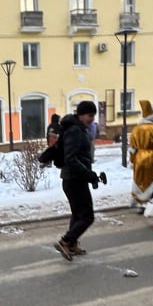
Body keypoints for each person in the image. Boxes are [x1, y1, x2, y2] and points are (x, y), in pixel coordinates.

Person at [52, 100, 104, 260]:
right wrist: (89, 175)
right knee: (87, 216)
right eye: (89, 115)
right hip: (75, 180)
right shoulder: (75, 130)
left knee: (77, 214)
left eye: (93, 116)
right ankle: (66, 241)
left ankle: (72, 244)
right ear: (81, 115)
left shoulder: (76, 129)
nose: (92, 119)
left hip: (73, 179)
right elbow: (71, 159)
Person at [128, 107, 153, 213]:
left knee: (139, 179)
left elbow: (132, 148)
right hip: (152, 156)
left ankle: (139, 203)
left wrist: (132, 160)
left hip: (139, 156)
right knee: (152, 179)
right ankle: (149, 202)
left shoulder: (136, 129)